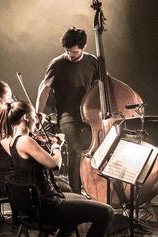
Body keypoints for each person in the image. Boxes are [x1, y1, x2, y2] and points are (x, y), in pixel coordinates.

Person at [0, 100, 113, 237]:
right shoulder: (26, 141)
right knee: (106, 211)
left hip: (37, 204)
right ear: (24, 117)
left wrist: (45, 141)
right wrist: (57, 146)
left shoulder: (14, 139)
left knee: (78, 199)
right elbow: (54, 164)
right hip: (47, 207)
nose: (36, 120)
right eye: (33, 116)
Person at [36, 26, 98, 193]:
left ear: (83, 48)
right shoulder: (57, 64)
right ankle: (76, 193)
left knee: (94, 149)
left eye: (75, 52)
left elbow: (100, 85)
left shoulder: (92, 61)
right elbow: (44, 89)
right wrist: (39, 113)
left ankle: (95, 189)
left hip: (90, 114)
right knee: (75, 150)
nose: (71, 55)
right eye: (68, 51)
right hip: (67, 114)